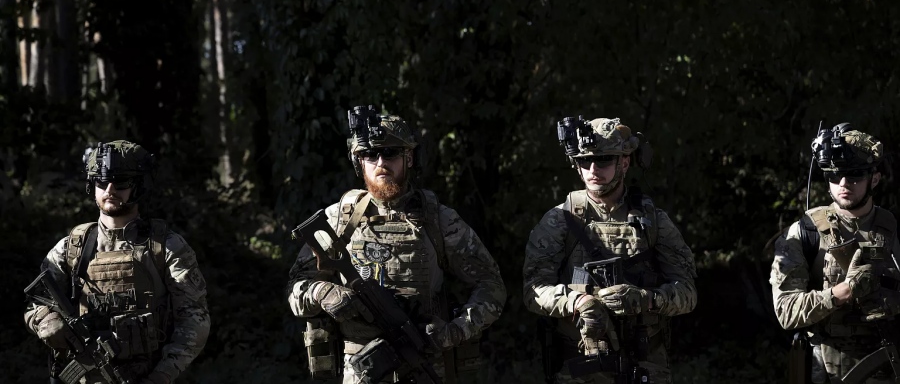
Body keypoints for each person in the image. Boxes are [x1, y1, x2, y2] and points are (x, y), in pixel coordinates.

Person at [287, 106, 506, 383]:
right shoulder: (339, 219)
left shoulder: (439, 220)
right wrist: (322, 292)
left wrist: (455, 331)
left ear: (409, 157)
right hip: (360, 371)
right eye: (369, 154)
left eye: (390, 153)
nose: (380, 162)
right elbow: (295, 290)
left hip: (425, 363)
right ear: (358, 162)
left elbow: (492, 286)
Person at [523, 116, 697, 383]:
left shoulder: (654, 221)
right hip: (581, 366)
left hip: (644, 364)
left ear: (624, 162)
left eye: (603, 159)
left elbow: (688, 293)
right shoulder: (560, 220)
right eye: (584, 161)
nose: (593, 169)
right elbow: (533, 290)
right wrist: (577, 301)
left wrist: (647, 299)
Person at [24, 140, 210, 384]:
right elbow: (33, 304)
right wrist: (45, 321)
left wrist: (162, 376)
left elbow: (195, 320)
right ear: (92, 184)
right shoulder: (71, 248)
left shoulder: (166, 247)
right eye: (102, 180)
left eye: (120, 181)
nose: (110, 188)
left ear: (139, 186)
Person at [771, 123, 900, 383]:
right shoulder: (804, 232)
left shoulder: (895, 231)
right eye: (834, 176)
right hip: (825, 372)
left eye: (853, 176)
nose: (843, 184)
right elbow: (786, 311)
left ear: (874, 179)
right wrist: (843, 292)